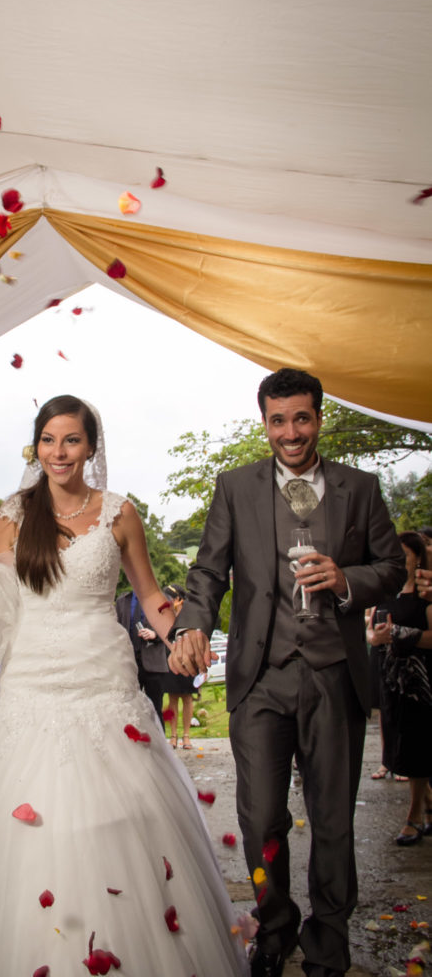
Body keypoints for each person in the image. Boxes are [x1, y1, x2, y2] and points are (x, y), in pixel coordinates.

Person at [0, 395, 248, 977]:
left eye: (71, 440)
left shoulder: (119, 513)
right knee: (34, 821)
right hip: (32, 682)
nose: (59, 452)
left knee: (120, 815)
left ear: (90, 447)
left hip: (103, 677)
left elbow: (149, 594)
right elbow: (1, 602)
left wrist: (185, 634)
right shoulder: (14, 514)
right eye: (48, 440)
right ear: (36, 447)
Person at [169, 368, 405, 977]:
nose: (291, 432)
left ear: (319, 419)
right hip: (261, 676)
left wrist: (348, 579)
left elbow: (391, 566)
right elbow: (207, 572)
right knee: (260, 816)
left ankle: (328, 941)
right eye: (279, 420)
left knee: (332, 820)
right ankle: (274, 929)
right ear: (265, 423)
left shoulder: (360, 487)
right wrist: (192, 623)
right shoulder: (235, 488)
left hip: (333, 675)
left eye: (301, 418)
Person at [367, 530, 432, 845]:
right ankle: (429, 805)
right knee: (399, 742)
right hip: (390, 677)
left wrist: (401, 634)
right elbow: (370, 630)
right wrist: (377, 638)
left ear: (417, 557)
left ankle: (414, 816)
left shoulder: (426, 593)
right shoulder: (386, 592)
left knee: (417, 747)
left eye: (403, 554)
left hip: (420, 681)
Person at [114, 586, 170, 725]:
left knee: (155, 708)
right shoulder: (122, 601)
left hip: (154, 664)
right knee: (131, 709)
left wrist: (155, 634)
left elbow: (171, 627)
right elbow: (116, 629)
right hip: (130, 664)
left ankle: (159, 745)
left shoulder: (161, 599)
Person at [159, 583, 196, 749]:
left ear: (179, 599)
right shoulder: (166, 614)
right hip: (171, 656)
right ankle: (173, 736)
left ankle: (186, 736)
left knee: (187, 697)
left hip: (188, 655)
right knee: (172, 697)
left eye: (171, 598)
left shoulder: (190, 614)